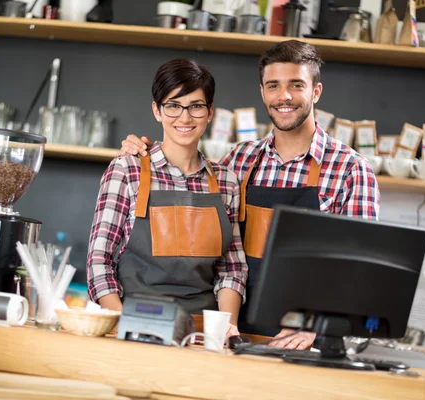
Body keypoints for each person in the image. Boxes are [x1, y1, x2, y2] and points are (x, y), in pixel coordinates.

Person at [118, 40, 380, 349]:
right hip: (238, 338)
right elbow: (221, 255)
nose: (284, 96)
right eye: (273, 86)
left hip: (306, 345)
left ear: (316, 91)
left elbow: (362, 276)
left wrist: (317, 327)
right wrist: (140, 154)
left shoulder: (350, 170)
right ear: (262, 92)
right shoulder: (237, 163)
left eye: (296, 85)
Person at [86, 58, 247, 336]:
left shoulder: (226, 181)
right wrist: (123, 325)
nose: (184, 118)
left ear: (209, 113)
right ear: (157, 111)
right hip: (133, 324)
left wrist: (226, 327)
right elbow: (99, 261)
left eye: (196, 106)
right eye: (173, 105)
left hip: (201, 332)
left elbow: (231, 269)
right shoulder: (127, 169)